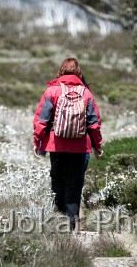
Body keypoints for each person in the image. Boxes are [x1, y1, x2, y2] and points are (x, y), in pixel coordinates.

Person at [32, 58, 103, 231]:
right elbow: (94, 124)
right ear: (79, 73)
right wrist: (97, 146)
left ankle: (58, 215)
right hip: (79, 146)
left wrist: (37, 141)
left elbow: (42, 119)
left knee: (57, 178)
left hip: (56, 145)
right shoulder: (85, 93)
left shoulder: (52, 90)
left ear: (61, 71)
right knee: (74, 181)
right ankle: (72, 221)